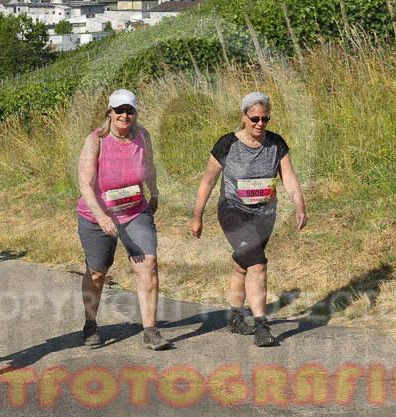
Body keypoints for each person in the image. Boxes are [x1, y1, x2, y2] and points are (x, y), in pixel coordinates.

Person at [190, 92, 307, 347]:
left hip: (265, 213)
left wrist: (300, 205)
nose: (260, 124)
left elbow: (288, 177)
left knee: (244, 264)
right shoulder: (227, 144)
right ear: (243, 116)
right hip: (233, 211)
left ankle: (234, 316)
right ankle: (262, 326)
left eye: (265, 119)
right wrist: (197, 216)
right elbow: (208, 181)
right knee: (258, 263)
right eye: (254, 118)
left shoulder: (276, 143)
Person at [77, 89, 170, 350]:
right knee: (97, 274)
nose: (124, 115)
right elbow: (85, 185)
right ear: (110, 112)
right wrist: (101, 217)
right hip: (97, 215)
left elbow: (148, 166)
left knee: (148, 264)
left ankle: (150, 331)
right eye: (119, 110)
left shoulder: (142, 136)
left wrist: (154, 191)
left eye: (130, 110)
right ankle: (90, 324)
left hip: (134, 212)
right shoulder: (95, 140)